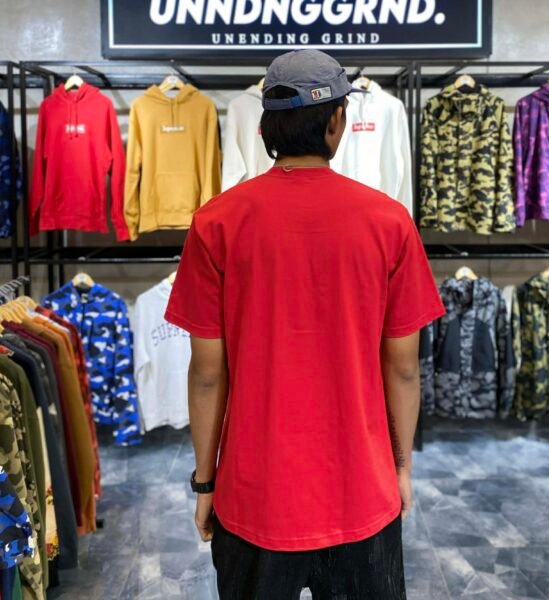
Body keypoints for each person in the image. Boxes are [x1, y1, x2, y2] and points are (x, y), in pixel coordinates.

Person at [165, 49, 445, 600]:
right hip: (363, 492)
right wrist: (402, 469)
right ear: (337, 121)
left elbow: (206, 374)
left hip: (253, 497)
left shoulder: (216, 222)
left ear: (267, 126)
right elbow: (404, 369)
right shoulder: (390, 222)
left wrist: (205, 482)